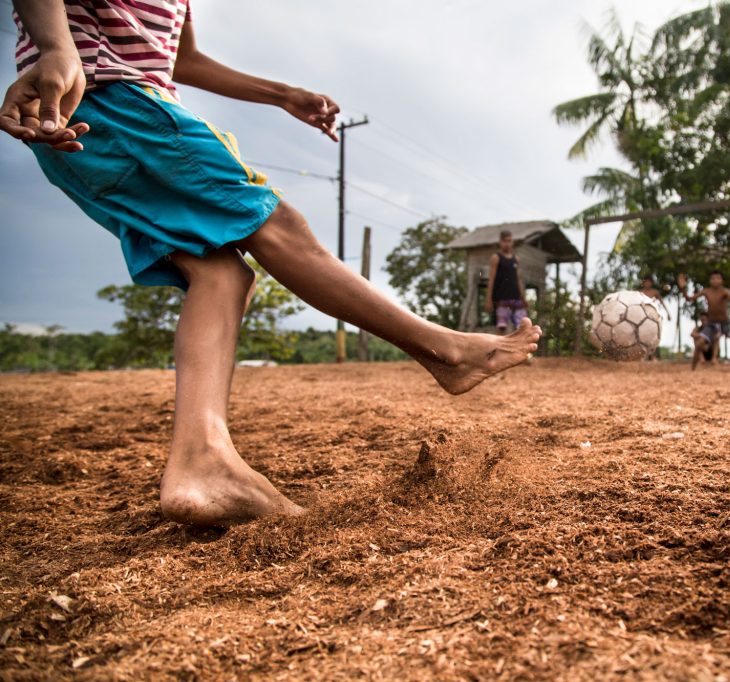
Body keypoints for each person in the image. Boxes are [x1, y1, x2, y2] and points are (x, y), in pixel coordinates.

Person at [1, 1, 542, 527]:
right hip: (108, 100)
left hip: (89, 124)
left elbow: (180, 59)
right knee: (277, 224)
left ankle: (201, 464)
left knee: (222, 273)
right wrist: (55, 46)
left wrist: (283, 95)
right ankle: (445, 351)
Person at [678, 270, 730, 369]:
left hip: (725, 323)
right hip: (711, 323)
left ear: (722, 280)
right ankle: (693, 368)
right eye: (713, 278)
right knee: (699, 344)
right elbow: (689, 299)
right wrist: (683, 289)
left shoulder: (724, 291)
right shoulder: (706, 291)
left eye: (718, 278)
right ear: (710, 280)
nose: (715, 280)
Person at [484, 230, 528, 334]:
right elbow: (491, 279)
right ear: (500, 242)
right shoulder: (496, 258)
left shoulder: (516, 259)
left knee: (522, 327)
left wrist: (523, 298)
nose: (507, 244)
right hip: (502, 299)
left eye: (509, 241)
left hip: (516, 298)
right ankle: (498, 350)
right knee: (501, 327)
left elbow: (518, 280)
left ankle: (519, 350)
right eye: (505, 241)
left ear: (512, 242)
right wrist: (488, 300)